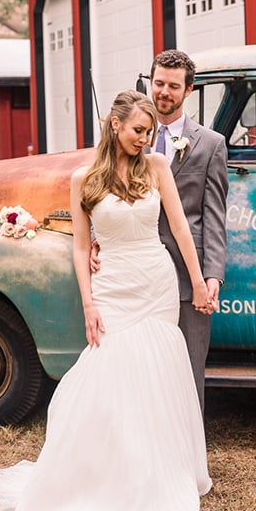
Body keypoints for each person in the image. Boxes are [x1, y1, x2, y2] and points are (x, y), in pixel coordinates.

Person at [0, 90, 212, 511]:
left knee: (156, 370)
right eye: (138, 131)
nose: (145, 140)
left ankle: (158, 467)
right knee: (108, 369)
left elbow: (180, 227)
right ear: (115, 125)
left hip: (155, 279)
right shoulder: (84, 178)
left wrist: (199, 280)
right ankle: (109, 470)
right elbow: (82, 245)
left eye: (149, 133)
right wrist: (88, 302)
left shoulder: (158, 167)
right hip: (111, 287)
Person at [92, 49, 229, 413]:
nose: (163, 92)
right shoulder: (130, 135)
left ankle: (188, 458)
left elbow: (214, 215)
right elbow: (103, 197)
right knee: (136, 371)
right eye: (158, 83)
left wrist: (212, 274)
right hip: (133, 275)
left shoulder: (211, 144)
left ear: (189, 90)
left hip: (187, 274)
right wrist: (97, 239)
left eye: (172, 86)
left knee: (186, 370)